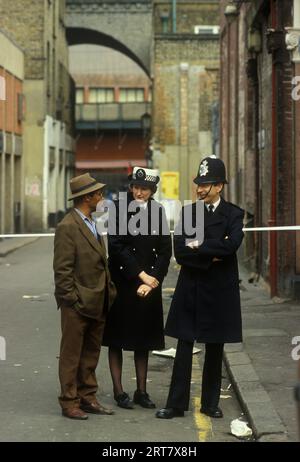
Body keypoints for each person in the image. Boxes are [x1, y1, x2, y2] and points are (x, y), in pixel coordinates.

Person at [156, 156, 244, 419]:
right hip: (191, 288)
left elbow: (230, 247)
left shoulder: (234, 214)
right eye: (199, 184)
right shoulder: (189, 213)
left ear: (219, 186)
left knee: (215, 348)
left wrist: (199, 246)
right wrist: (211, 253)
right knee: (184, 346)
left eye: (206, 184)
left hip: (219, 291)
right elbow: (181, 252)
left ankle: (210, 403)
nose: (200, 189)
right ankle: (176, 404)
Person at [102, 167, 172, 409]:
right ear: (131, 187)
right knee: (117, 339)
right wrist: (142, 275)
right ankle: (119, 391)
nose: (139, 192)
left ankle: (141, 391)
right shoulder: (119, 209)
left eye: (144, 188)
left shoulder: (158, 211)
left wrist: (153, 280)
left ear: (152, 190)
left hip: (148, 286)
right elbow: (117, 247)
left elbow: (165, 250)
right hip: (123, 283)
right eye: (136, 187)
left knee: (144, 339)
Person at [53, 173, 117, 420]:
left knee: (91, 353)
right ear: (86, 197)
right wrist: (72, 301)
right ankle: (69, 402)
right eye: (98, 194)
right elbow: (62, 271)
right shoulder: (67, 227)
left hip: (98, 300)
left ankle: (88, 397)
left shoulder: (92, 222)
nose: (101, 197)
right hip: (78, 305)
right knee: (71, 355)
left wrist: (107, 291)